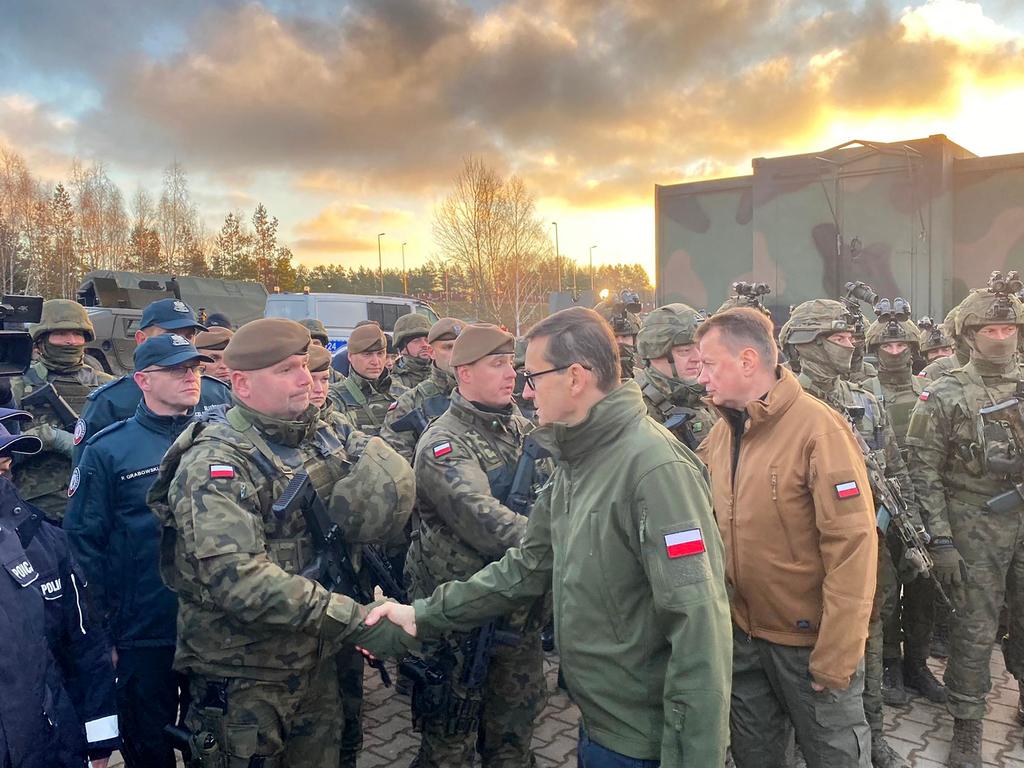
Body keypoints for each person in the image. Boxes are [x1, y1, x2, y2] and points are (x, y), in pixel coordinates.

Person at [367, 306, 732, 766]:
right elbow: (528, 565)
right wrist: (423, 614)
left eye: (534, 376)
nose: (524, 388)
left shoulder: (655, 469)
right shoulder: (579, 459)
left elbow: (700, 627)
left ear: (575, 377)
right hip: (600, 724)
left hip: (647, 743)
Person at [147, 317, 417, 766]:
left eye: (305, 367)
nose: (305, 380)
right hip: (248, 675)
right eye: (285, 370)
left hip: (316, 658)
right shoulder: (215, 461)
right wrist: (355, 619)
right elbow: (239, 580)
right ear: (241, 384)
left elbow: (381, 481)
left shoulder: (322, 431)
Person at [695, 307, 877, 768]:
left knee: (834, 757)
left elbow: (853, 547)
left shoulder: (819, 429)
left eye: (709, 364)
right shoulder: (722, 433)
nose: (702, 378)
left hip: (809, 647)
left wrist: (836, 655)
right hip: (746, 641)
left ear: (748, 360)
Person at [64, 334, 214, 768]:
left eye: (195, 368)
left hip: (215, 627)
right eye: (177, 369)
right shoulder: (109, 449)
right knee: (148, 745)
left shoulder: (219, 439)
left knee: (219, 742)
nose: (191, 377)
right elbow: (84, 544)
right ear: (143, 380)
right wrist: (102, 633)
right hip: (144, 631)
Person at [779, 299, 916, 768]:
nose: (849, 346)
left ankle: (872, 734)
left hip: (860, 546)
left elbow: (895, 470)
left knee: (868, 639)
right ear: (806, 344)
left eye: (851, 338)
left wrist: (914, 531)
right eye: (838, 339)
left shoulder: (866, 402)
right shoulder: (781, 405)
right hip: (797, 550)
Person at [403, 322, 547, 767]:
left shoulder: (519, 427)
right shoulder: (444, 442)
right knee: (450, 744)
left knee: (513, 739)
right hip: (458, 618)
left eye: (512, 364)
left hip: (515, 613)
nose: (511, 374)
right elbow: (483, 518)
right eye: (497, 363)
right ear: (464, 373)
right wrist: (561, 544)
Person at [905, 285, 1024, 767]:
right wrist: (942, 540)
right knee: (975, 629)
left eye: (1009, 329)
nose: (1002, 337)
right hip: (975, 524)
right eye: (991, 330)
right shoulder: (945, 392)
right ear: (970, 336)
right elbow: (923, 471)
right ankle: (968, 725)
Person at [0, 409, 119, 768]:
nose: (4, 466)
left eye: (4, 460)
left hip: (49, 744)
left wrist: (99, 744)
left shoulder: (45, 541)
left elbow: (84, 646)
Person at [861, 313, 946, 707]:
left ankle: (917, 663)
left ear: (913, 351)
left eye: (901, 347)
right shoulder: (863, 392)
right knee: (884, 590)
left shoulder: (929, 390)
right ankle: (890, 664)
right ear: (875, 352)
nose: (894, 353)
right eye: (886, 347)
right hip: (877, 507)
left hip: (923, 501)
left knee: (922, 589)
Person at [73, 297, 231, 461]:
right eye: (170, 335)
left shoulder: (216, 392)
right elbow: (89, 469)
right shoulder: (110, 401)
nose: (180, 343)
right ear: (141, 339)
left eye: (189, 336)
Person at [7, 299, 114, 520]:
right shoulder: (14, 386)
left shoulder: (110, 386)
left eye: (78, 334)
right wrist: (44, 437)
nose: (71, 341)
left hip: (98, 502)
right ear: (41, 341)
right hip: (36, 507)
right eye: (61, 334)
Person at [379, 317, 463, 463]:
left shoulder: (488, 395)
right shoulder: (408, 400)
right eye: (417, 340)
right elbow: (397, 465)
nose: (424, 345)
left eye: (462, 346)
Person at [634, 303, 718, 448]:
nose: (697, 358)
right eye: (685, 351)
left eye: (699, 348)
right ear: (655, 353)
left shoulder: (707, 397)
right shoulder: (637, 410)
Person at [328, 323, 398, 434]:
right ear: (350, 356)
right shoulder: (335, 398)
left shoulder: (401, 392)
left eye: (380, 353)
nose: (376, 362)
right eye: (367, 354)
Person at [391, 313, 434, 393]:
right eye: (416, 341)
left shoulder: (443, 376)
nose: (425, 345)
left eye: (427, 340)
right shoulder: (392, 383)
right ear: (402, 348)